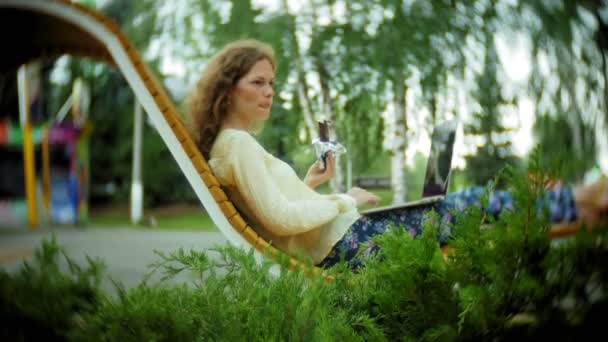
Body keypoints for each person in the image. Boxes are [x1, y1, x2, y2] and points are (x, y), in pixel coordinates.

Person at [187, 39, 608, 269]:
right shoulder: (237, 143)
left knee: (454, 203)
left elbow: (278, 211)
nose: (269, 93)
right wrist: (344, 199)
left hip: (346, 237)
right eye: (258, 82)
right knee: (463, 204)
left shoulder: (232, 146)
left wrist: (310, 184)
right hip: (348, 244)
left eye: (272, 84)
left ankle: (573, 203)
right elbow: (280, 219)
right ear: (228, 87)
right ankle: (577, 200)